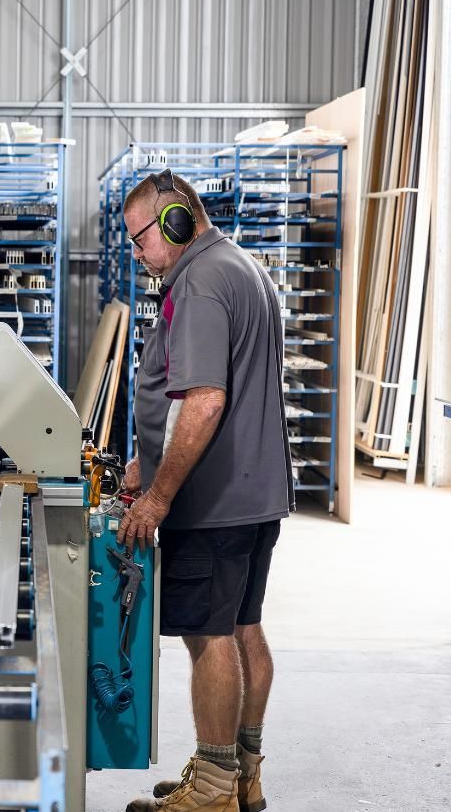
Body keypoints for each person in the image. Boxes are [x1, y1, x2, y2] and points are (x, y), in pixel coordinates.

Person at [116, 170, 294, 812]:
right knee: (244, 628)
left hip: (214, 499)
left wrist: (159, 496)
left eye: (140, 239)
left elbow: (205, 399)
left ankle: (214, 792)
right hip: (257, 491)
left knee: (210, 637)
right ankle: (241, 775)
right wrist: (146, 460)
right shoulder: (239, 265)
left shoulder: (195, 284)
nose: (136, 254)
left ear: (177, 223)